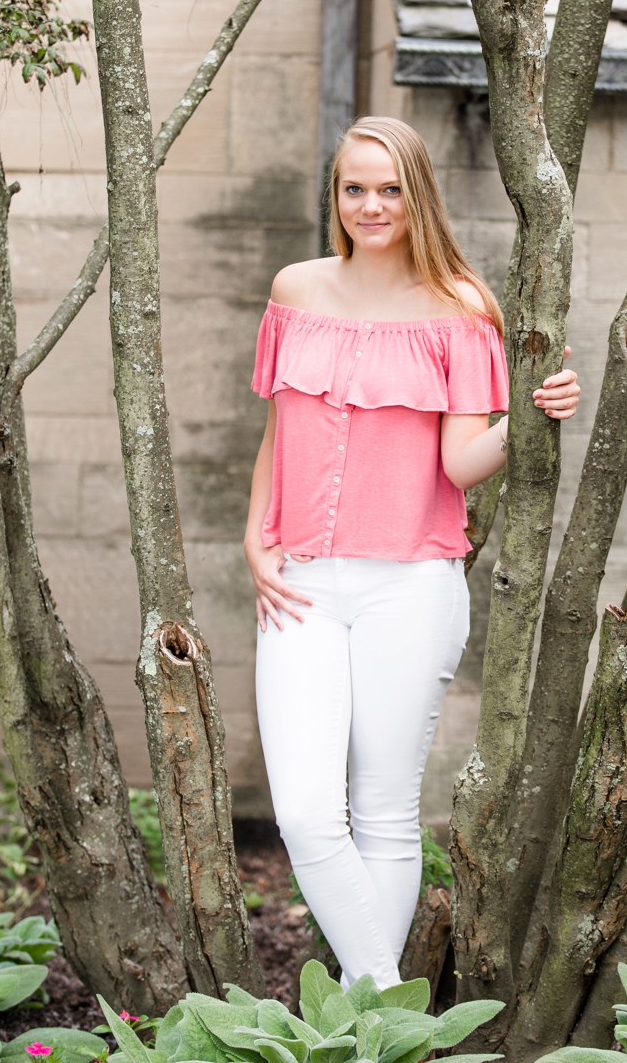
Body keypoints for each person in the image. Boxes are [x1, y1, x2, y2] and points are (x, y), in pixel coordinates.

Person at [243, 115, 579, 992]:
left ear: (417, 194)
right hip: (302, 584)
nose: (371, 205)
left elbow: (461, 464)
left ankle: (366, 1034)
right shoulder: (297, 290)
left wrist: (529, 418)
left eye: (390, 188)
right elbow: (280, 429)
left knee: (387, 815)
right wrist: (255, 539)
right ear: (336, 196)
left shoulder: (461, 308)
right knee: (310, 814)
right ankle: (390, 1004)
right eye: (355, 188)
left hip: (412, 584)